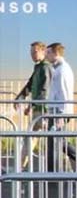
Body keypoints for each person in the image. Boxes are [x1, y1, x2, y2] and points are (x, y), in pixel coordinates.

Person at [45, 42, 77, 172]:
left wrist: (63, 115)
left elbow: (65, 93)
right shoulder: (58, 69)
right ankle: (55, 170)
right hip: (55, 110)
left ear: (56, 53)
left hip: (59, 111)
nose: (46, 55)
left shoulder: (63, 70)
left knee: (59, 142)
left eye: (48, 52)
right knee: (57, 141)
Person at [15, 41, 52, 170]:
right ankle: (19, 168)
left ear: (43, 51)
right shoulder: (38, 67)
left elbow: (44, 89)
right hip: (38, 109)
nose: (32, 54)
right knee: (30, 138)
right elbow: (30, 84)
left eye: (35, 51)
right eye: (31, 52)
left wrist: (31, 104)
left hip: (44, 109)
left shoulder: (46, 68)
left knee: (55, 140)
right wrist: (20, 97)